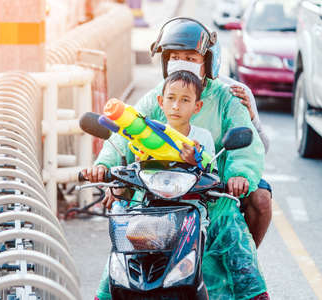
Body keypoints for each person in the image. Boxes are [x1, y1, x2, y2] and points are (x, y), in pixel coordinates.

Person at [85, 18, 270, 300]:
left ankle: (254, 294)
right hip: (153, 195)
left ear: (206, 61)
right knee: (124, 244)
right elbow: (124, 134)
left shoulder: (227, 98)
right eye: (174, 57)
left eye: (190, 57)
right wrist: (103, 166)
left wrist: (239, 175)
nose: (181, 62)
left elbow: (247, 147)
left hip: (210, 198)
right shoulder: (158, 97)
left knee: (237, 247)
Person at [82, 69, 217, 300]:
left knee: (191, 270)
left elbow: (212, 174)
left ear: (197, 107)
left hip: (188, 215)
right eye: (171, 98)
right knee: (123, 253)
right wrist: (108, 179)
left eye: (185, 100)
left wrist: (196, 161)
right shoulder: (145, 134)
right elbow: (130, 175)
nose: (176, 106)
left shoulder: (201, 139)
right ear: (160, 102)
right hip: (147, 214)